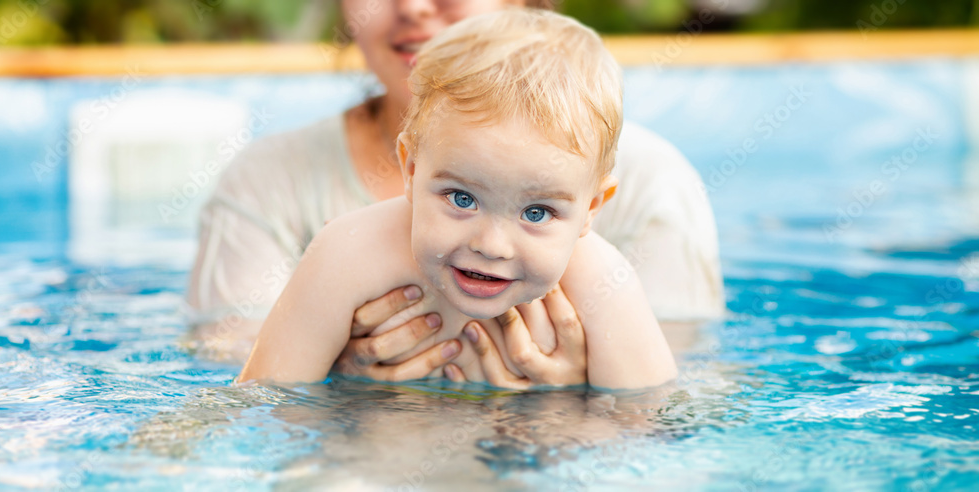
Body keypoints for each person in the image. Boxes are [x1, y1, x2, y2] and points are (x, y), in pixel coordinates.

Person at [188, 0, 723, 387]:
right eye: (462, 198)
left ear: (591, 210)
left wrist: (573, 407)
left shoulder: (603, 277)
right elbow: (263, 401)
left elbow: (654, 426)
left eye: (537, 212)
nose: (492, 244)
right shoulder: (347, 251)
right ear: (411, 168)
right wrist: (339, 380)